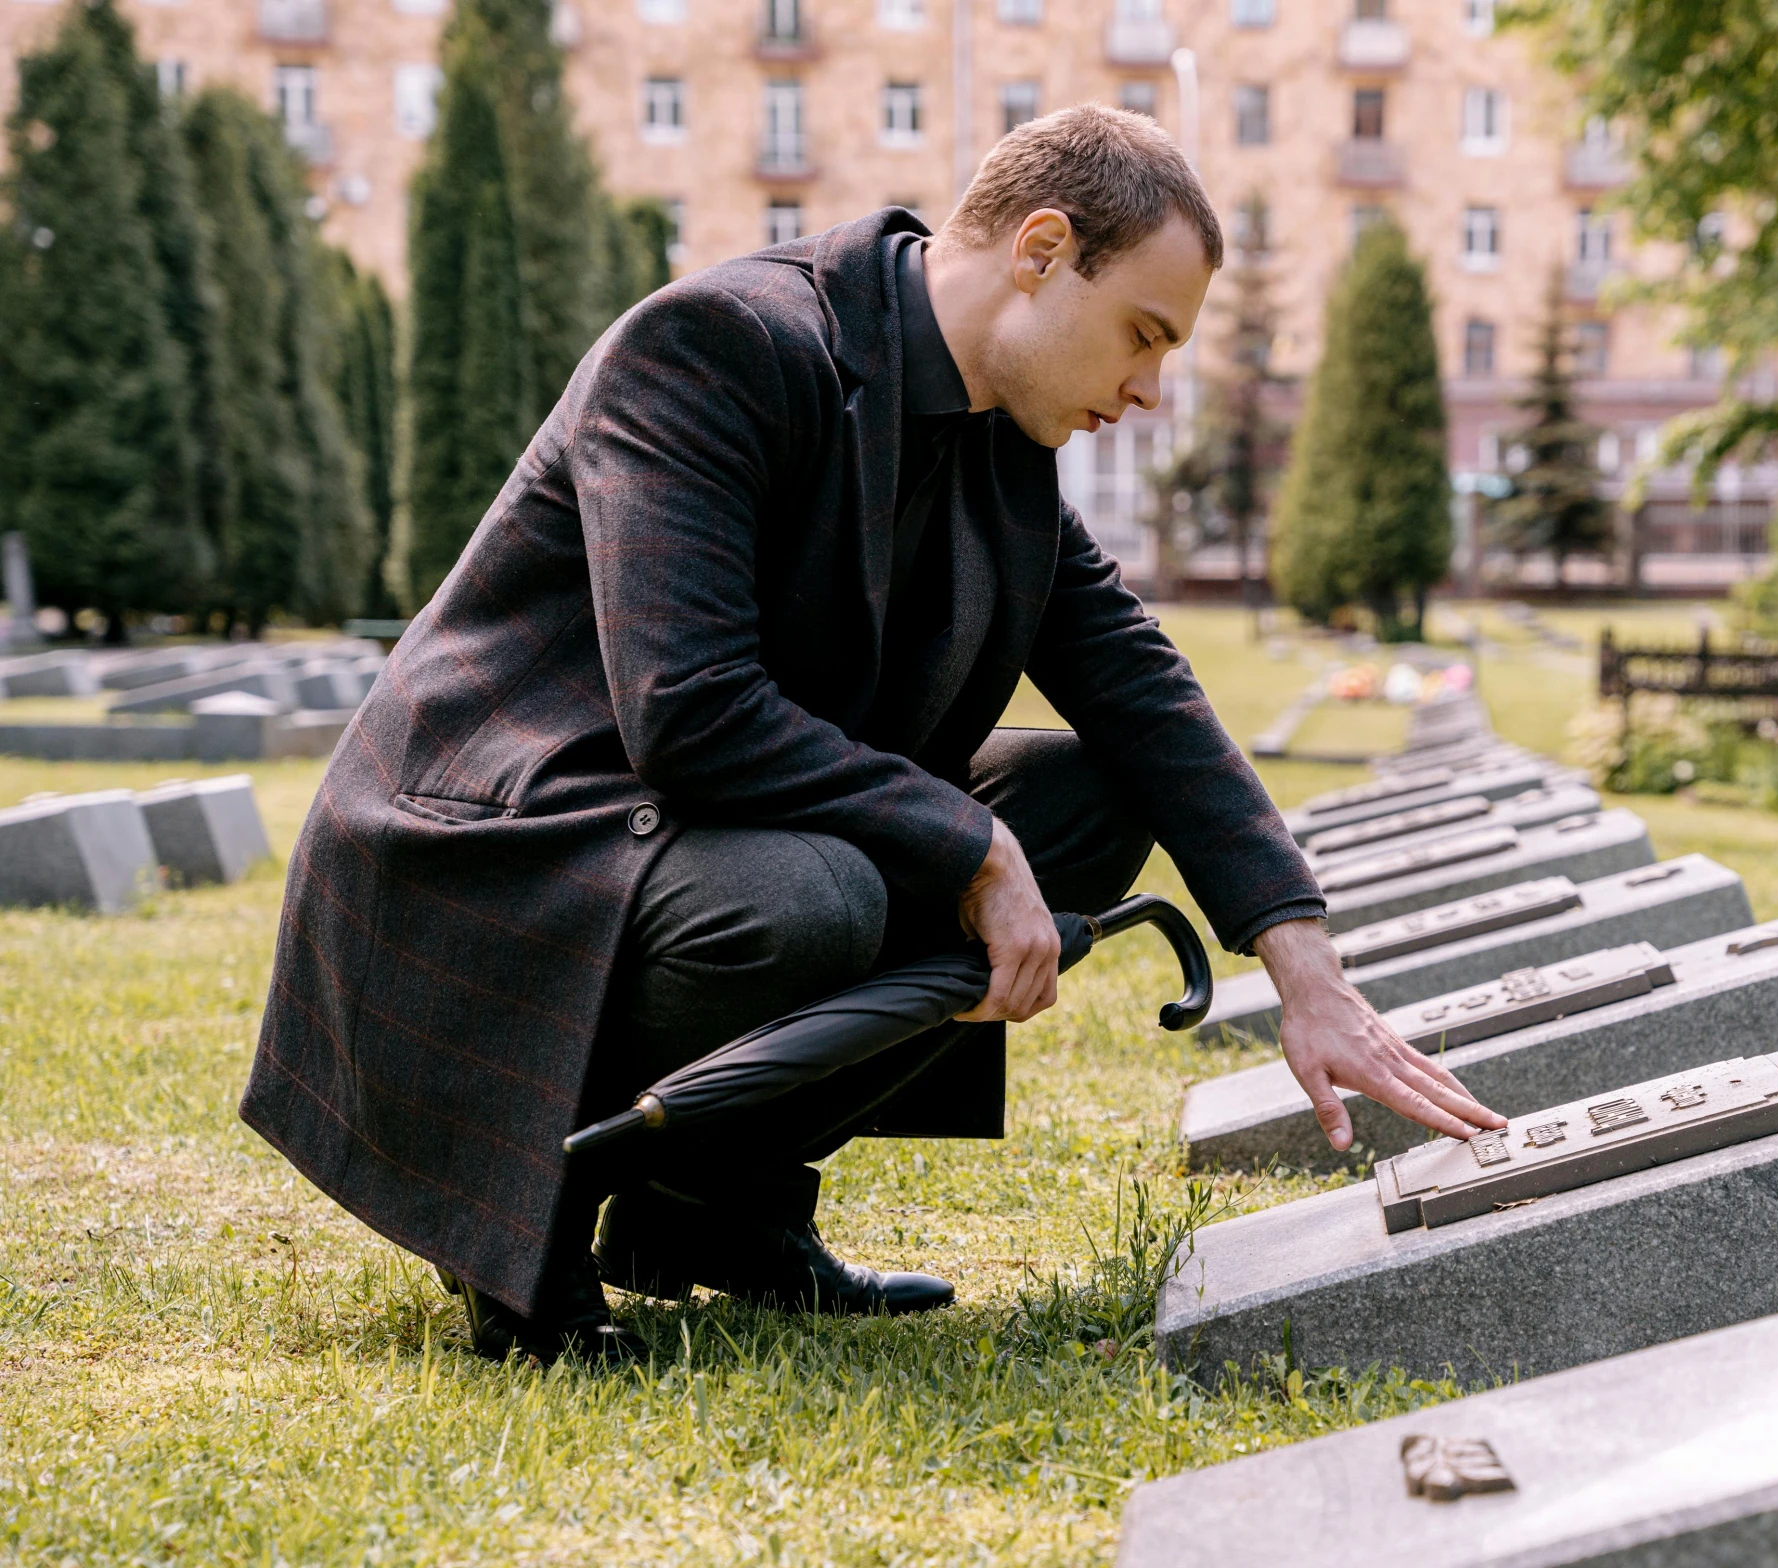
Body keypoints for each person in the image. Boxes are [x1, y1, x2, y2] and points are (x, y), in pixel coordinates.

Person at [240, 106, 1504, 1364]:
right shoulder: (717, 345)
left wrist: (1309, 975)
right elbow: (687, 708)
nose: (1149, 389)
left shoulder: (1001, 440)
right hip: (501, 841)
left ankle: (711, 1215)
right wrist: (972, 847)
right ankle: (521, 1234)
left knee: (1092, 793)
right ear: (1042, 250)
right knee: (818, 892)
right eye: (1143, 334)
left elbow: (1144, 692)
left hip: (677, 825)